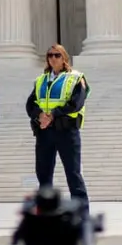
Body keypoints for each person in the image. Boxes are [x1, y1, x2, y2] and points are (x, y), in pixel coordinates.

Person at [26, 44, 88, 210]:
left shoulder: (75, 78)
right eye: (50, 55)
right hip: (44, 132)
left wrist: (52, 115)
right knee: (43, 174)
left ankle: (81, 213)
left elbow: (76, 104)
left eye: (57, 55)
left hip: (66, 131)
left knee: (73, 173)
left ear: (64, 58)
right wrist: (40, 115)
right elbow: (30, 104)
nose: (53, 58)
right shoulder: (41, 80)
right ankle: (46, 212)